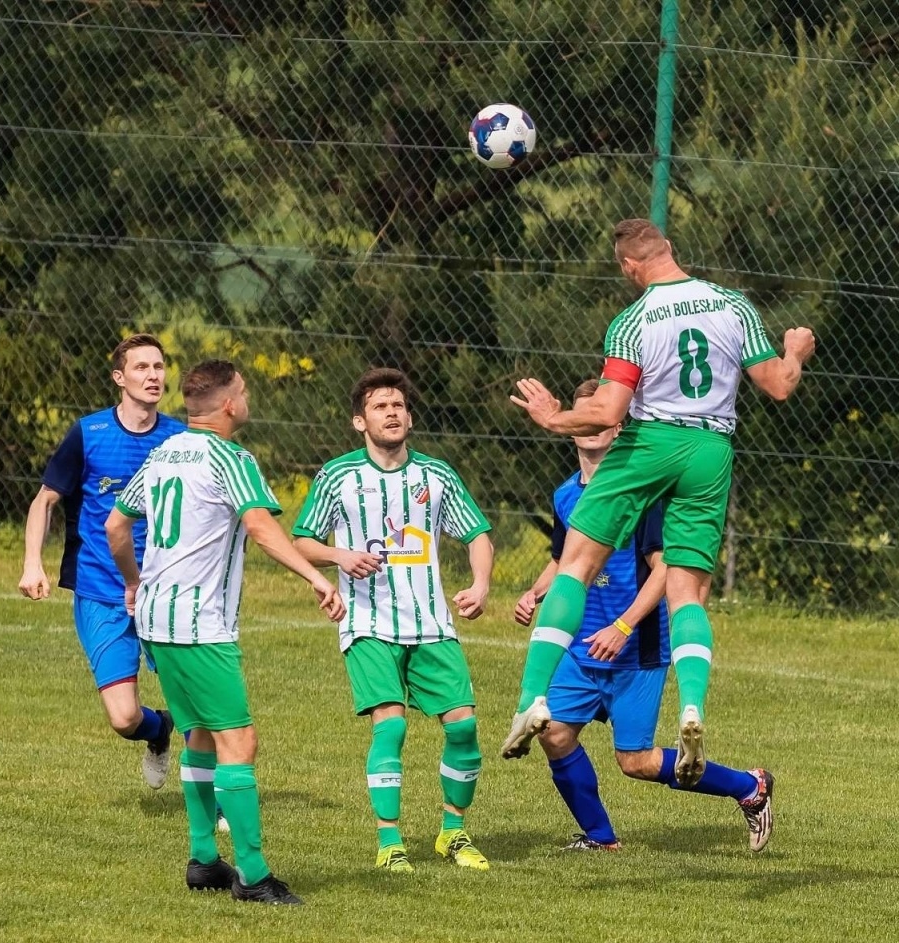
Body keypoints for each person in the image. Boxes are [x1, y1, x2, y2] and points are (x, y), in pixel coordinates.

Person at [505, 218, 816, 786]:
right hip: (709, 447)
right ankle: (692, 708)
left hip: (651, 443)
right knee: (688, 590)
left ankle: (531, 697)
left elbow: (605, 413)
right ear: (669, 249)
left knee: (576, 562)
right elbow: (778, 384)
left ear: (629, 267)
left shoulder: (632, 321)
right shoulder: (732, 304)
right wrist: (794, 349)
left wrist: (552, 417)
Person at [106, 360, 344, 905]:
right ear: (230, 404)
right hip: (198, 625)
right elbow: (260, 527)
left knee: (201, 736)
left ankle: (204, 860)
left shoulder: (163, 453)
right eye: (244, 390)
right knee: (240, 741)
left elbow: (116, 525)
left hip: (158, 620)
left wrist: (134, 582)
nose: (247, 397)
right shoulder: (231, 457)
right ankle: (255, 876)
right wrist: (314, 575)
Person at [516, 381, 774, 852]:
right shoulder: (565, 496)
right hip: (579, 647)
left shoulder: (643, 493)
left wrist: (624, 625)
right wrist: (535, 594)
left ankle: (749, 787)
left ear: (617, 426)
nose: (591, 425)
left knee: (635, 761)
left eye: (601, 414)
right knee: (553, 734)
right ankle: (600, 837)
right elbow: (564, 561)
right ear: (576, 428)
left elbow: (667, 570)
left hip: (635, 648)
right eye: (583, 415)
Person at [291, 367, 496, 873]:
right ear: (359, 421)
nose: (392, 413)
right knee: (391, 728)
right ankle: (390, 842)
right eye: (381, 406)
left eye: (399, 405)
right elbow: (301, 541)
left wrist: (481, 583)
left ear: (410, 416)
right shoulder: (339, 476)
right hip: (367, 622)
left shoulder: (437, 474)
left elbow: (477, 535)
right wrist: (340, 557)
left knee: (465, 727)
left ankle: (452, 831)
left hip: (430, 622)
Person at [19, 334, 183, 788]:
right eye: (141, 368)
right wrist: (33, 562)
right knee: (124, 717)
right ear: (119, 377)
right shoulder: (88, 434)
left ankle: (224, 806)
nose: (153, 376)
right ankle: (159, 729)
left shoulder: (179, 439)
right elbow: (45, 499)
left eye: (159, 366)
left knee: (197, 705)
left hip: (163, 592)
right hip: (100, 591)